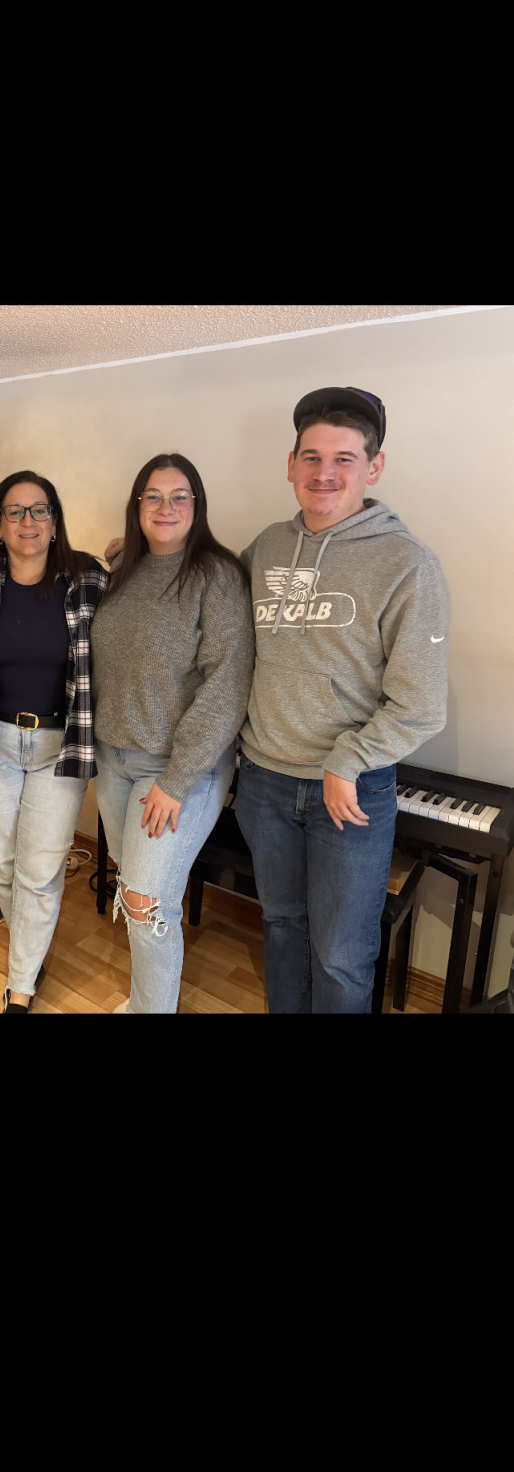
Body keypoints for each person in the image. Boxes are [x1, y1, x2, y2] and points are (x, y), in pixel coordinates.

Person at [234, 386, 449, 1014]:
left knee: (341, 956)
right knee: (281, 926)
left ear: (374, 467)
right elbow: (210, 599)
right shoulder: (266, 547)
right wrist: (145, 558)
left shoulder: (408, 564)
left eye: (344, 459)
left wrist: (348, 760)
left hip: (348, 793)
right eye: (311, 457)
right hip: (264, 782)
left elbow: (420, 704)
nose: (324, 473)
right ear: (291, 464)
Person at [93, 454, 254, 1015]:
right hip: (112, 761)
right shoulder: (122, 570)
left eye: (180, 496)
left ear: (197, 505)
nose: (166, 507)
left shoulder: (218, 576)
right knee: (137, 891)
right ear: (137, 505)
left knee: (144, 901)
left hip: (175, 771)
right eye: (153, 496)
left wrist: (178, 778)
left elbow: (228, 684)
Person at [0, 472, 109, 1013]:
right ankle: (29, 954)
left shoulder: (88, 578)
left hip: (61, 744)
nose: (28, 522)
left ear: (55, 521)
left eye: (40, 510)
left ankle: (20, 987)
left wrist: (130, 551)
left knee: (39, 872)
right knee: (4, 861)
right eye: (14, 512)